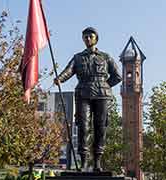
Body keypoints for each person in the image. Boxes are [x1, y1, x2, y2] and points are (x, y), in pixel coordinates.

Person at [54, 27, 122, 171]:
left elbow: (117, 76)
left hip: (101, 95)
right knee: (83, 127)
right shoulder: (78, 57)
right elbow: (69, 70)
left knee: (100, 127)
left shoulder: (105, 57)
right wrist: (60, 79)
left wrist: (104, 86)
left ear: (96, 38)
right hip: (83, 94)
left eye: (91, 36)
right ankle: (84, 161)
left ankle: (97, 162)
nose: (88, 39)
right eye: (85, 37)